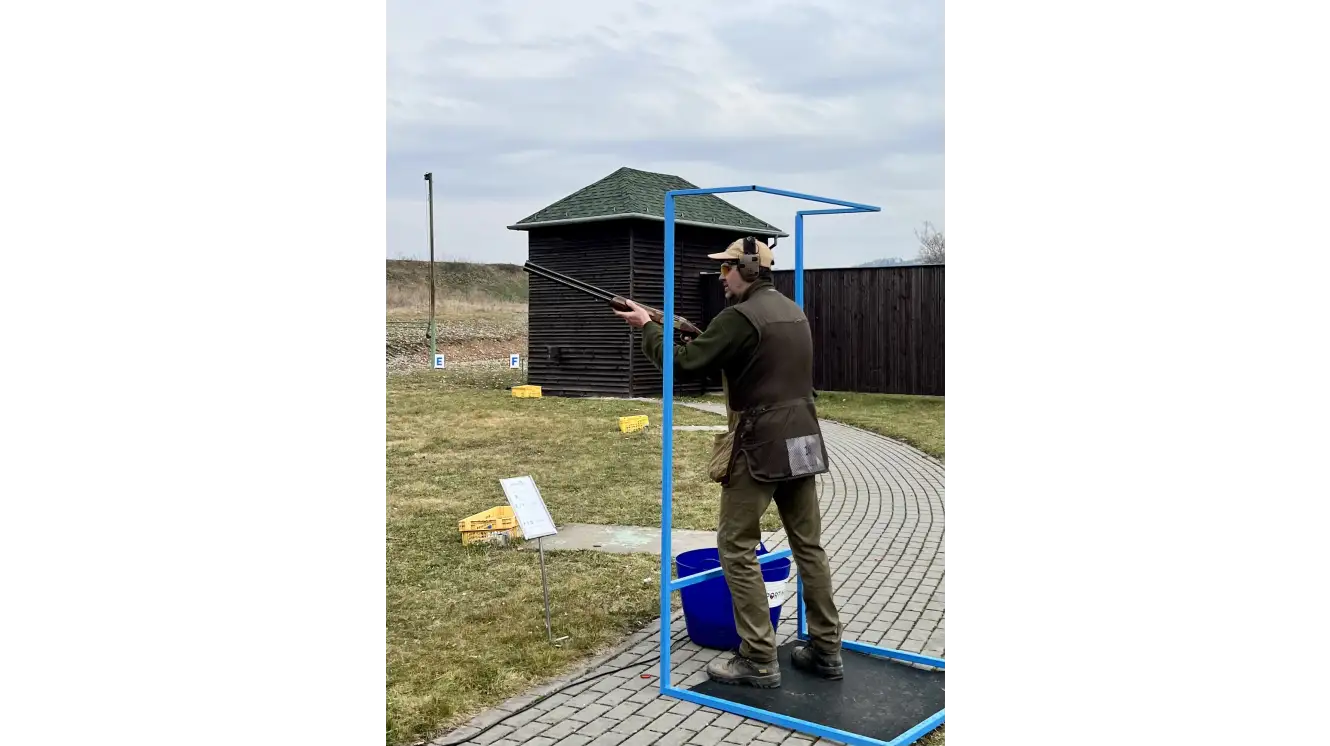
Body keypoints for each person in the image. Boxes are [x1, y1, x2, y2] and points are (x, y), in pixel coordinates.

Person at [613, 236, 843, 689]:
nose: (721, 277)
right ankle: (826, 648)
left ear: (750, 269)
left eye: (727, 268)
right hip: (803, 439)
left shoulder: (739, 317)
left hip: (761, 443)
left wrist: (647, 327)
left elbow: (681, 365)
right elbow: (756, 361)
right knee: (808, 546)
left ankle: (758, 657)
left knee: (735, 546)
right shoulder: (792, 311)